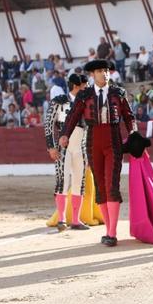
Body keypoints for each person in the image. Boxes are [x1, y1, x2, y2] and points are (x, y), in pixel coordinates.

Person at [59, 59, 137, 247]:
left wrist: (134, 134)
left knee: (112, 184)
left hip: (113, 140)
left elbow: (128, 116)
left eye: (106, 70)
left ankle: (112, 232)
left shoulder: (118, 93)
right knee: (101, 186)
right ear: (92, 75)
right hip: (93, 141)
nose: (105, 73)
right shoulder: (84, 95)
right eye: (100, 71)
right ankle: (108, 230)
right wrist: (64, 134)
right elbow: (73, 116)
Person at [45, 74, 91, 232]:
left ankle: (76, 220)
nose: (87, 88)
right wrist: (51, 147)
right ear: (77, 86)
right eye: (85, 85)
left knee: (79, 183)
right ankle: (62, 219)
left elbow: (90, 129)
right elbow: (49, 125)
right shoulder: (59, 101)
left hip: (81, 148)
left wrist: (89, 153)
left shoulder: (86, 103)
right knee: (62, 182)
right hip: (64, 148)